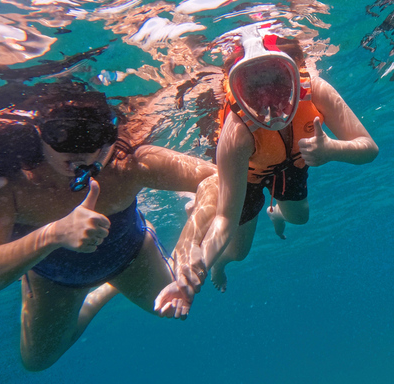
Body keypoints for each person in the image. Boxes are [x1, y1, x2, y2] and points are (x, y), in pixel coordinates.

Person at [0, 82, 215, 371]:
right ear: (39, 134)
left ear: (108, 136)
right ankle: (102, 293)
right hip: (54, 280)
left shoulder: (127, 165)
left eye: (92, 135)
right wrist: (51, 235)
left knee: (170, 310)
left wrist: (189, 241)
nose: (80, 151)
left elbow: (216, 178)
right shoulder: (13, 186)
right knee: (37, 361)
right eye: (63, 134)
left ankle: (146, 235)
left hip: (130, 257)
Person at [154, 25, 379, 318]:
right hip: (247, 175)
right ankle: (221, 257)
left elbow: (369, 148)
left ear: (295, 77)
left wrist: (332, 150)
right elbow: (225, 220)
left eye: (276, 81)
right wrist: (203, 266)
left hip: (292, 162)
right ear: (236, 91)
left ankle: (275, 214)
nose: (268, 102)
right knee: (238, 252)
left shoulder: (316, 90)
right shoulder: (236, 134)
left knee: (300, 218)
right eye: (253, 88)